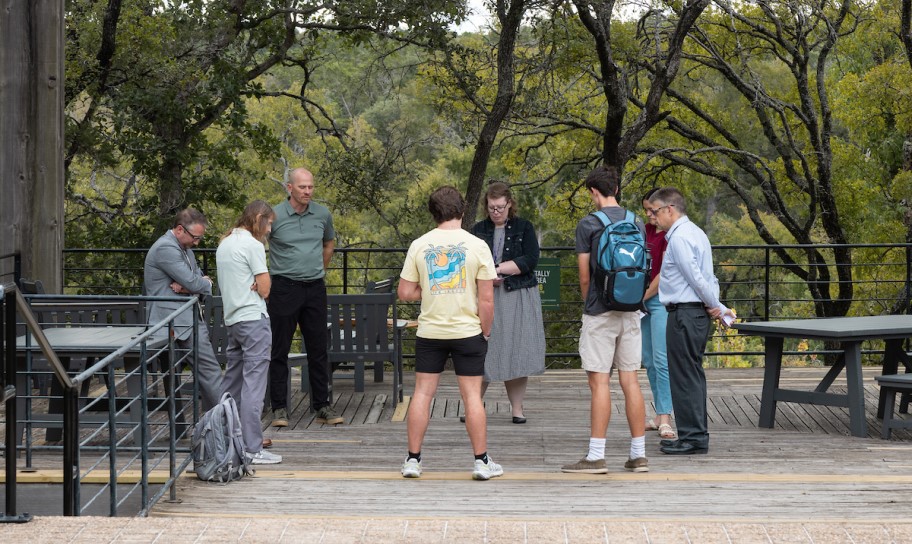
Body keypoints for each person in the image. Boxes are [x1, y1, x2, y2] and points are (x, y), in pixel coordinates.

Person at [397, 186, 503, 480]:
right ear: (463, 210)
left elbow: (405, 292)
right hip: (467, 331)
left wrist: (432, 290)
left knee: (422, 393)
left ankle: (412, 460)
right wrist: (486, 330)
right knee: (471, 397)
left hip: (431, 330)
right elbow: (486, 299)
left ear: (433, 213)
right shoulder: (477, 245)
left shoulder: (420, 244)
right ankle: (481, 462)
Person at [561, 166, 648, 474]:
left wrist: (590, 303)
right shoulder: (636, 221)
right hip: (632, 309)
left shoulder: (588, 224)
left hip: (601, 311)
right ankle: (638, 454)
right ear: (616, 189)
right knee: (631, 380)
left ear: (594, 192)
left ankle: (596, 455)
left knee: (599, 383)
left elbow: (585, 276)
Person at [646, 187, 735, 455]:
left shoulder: (680, 238)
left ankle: (693, 438)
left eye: (656, 211)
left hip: (685, 313)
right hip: (692, 313)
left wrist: (715, 306)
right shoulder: (696, 233)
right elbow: (709, 278)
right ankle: (692, 435)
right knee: (690, 375)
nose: (654, 216)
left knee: (684, 377)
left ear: (670, 209)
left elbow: (697, 278)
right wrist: (712, 303)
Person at [267, 167, 343, 426]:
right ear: (290, 187)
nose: (308, 191)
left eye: (310, 186)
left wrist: (320, 269)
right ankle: (279, 408)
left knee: (318, 348)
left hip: (314, 288)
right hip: (283, 288)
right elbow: (256, 242)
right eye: (302, 187)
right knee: (279, 349)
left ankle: (322, 405)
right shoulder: (274, 215)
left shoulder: (322, 214)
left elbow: (328, 243)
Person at [469, 182, 545, 424]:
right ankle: (473, 407)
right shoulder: (477, 229)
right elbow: (469, 260)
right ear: (486, 206)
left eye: (500, 207)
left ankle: (517, 409)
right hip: (485, 295)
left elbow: (531, 258)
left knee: (517, 350)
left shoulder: (524, 227)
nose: (496, 212)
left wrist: (497, 269)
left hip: (517, 294)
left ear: (509, 204)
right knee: (482, 349)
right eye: (492, 208)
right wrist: (488, 276)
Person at [215, 200, 282, 464]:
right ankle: (252, 448)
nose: (268, 230)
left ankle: (222, 437)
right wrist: (258, 283)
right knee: (254, 386)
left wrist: (255, 281)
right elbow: (265, 289)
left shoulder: (225, 242)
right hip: (254, 320)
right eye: (268, 224)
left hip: (232, 320)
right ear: (258, 219)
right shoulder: (252, 245)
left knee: (231, 384)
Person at [144, 208, 222, 412]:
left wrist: (195, 284)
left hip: (185, 317)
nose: (197, 242)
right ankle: (225, 422)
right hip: (173, 321)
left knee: (209, 371)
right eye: (195, 237)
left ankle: (218, 421)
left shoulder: (185, 249)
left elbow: (199, 281)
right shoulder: (165, 248)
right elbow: (195, 282)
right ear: (180, 229)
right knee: (210, 370)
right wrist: (196, 284)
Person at [641, 188, 676, 440]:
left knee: (662, 360)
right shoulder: (645, 230)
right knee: (649, 361)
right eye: (646, 210)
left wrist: (642, 297)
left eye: (652, 210)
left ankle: (666, 417)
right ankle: (658, 413)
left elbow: (663, 274)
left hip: (659, 300)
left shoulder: (672, 235)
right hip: (642, 303)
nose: (649, 215)